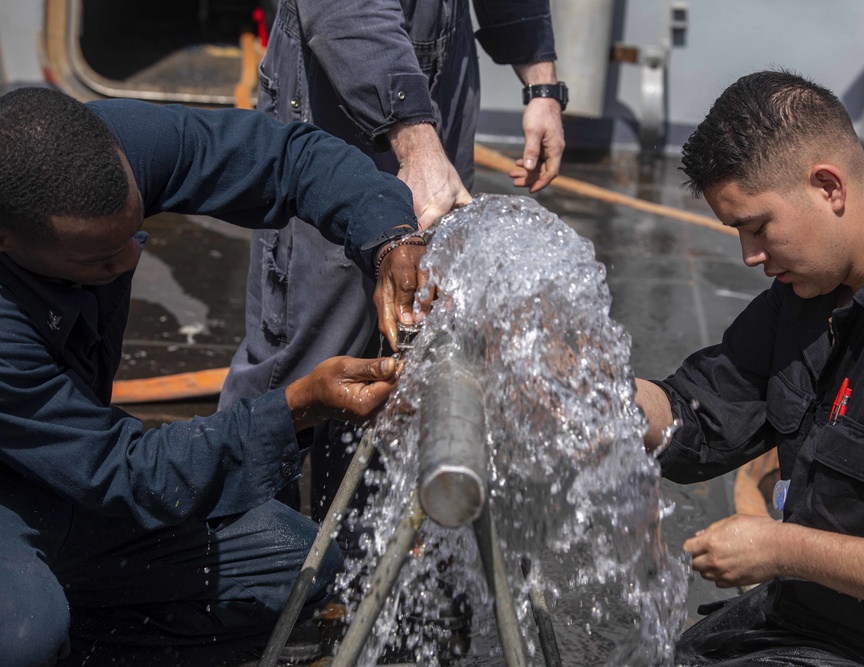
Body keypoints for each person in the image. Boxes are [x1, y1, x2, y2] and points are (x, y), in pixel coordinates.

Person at [0, 87, 430, 667]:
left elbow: (288, 158)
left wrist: (390, 240)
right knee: (24, 635)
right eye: (98, 261)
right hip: (22, 493)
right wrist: (298, 406)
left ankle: (88, 637)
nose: (128, 261)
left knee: (295, 565)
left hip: (81, 471)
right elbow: (125, 469)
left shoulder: (107, 148)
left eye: (133, 234)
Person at [635, 70, 864, 665]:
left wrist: (783, 550)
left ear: (828, 186)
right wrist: (594, 395)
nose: (750, 256)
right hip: (809, 617)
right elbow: (698, 416)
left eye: (757, 228)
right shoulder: (811, 290)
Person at [219, 0, 566, 521]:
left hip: (441, 74)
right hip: (335, 78)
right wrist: (415, 140)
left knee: (406, 337)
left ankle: (349, 560)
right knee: (302, 349)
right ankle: (240, 555)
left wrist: (542, 84)